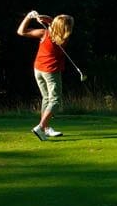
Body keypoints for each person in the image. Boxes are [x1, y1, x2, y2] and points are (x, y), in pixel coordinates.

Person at [17, 11, 75, 141]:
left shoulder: (44, 34)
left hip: (38, 69)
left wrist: (28, 17)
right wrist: (45, 19)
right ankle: (41, 127)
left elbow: (21, 31)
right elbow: (55, 25)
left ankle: (45, 128)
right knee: (55, 100)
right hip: (51, 72)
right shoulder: (63, 37)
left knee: (47, 99)